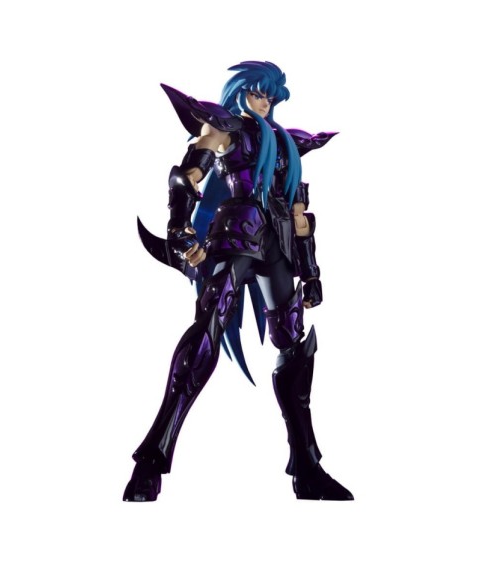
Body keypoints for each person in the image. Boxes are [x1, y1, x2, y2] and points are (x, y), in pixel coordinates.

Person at [123, 61, 353, 501]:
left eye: (271, 96)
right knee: (206, 332)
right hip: (235, 237)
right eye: (258, 93)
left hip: (277, 246)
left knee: (294, 346)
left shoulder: (287, 145)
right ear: (241, 92)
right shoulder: (227, 129)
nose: (265, 102)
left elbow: (300, 217)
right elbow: (187, 175)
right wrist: (180, 227)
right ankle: (152, 460)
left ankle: (307, 469)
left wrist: (311, 272)